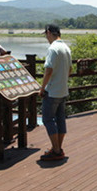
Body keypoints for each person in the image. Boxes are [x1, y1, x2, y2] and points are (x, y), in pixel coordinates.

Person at [39, 24, 72, 161]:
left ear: (48, 32)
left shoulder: (53, 48)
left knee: (48, 119)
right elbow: (70, 69)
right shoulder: (66, 47)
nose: (46, 38)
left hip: (52, 91)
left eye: (46, 35)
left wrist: (42, 88)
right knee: (60, 119)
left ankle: (56, 150)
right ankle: (58, 148)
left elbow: (49, 70)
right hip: (63, 90)